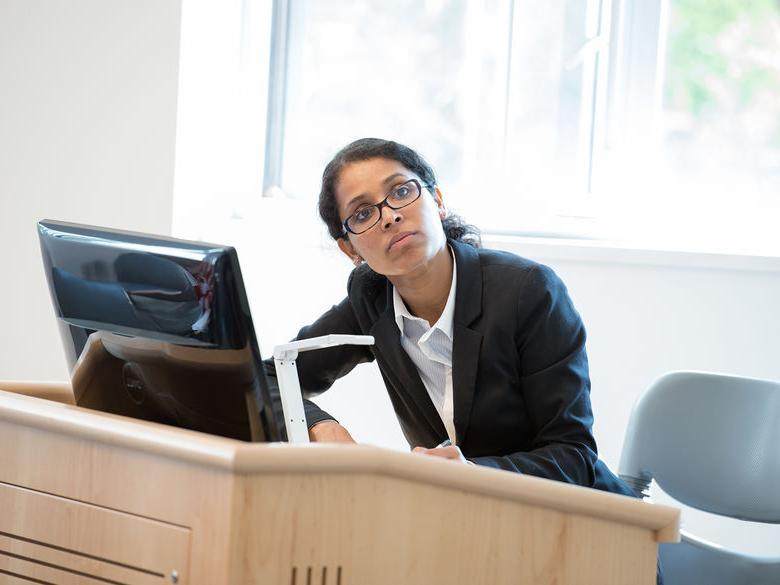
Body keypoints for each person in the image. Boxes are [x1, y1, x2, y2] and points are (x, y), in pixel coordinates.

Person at [265, 137, 634, 496]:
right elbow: (269, 374)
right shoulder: (372, 299)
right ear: (350, 249)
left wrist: (472, 474)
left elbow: (574, 457)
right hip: (467, 525)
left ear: (437, 200)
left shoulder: (529, 291)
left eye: (401, 192)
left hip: (588, 527)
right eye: (362, 214)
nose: (390, 216)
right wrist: (320, 426)